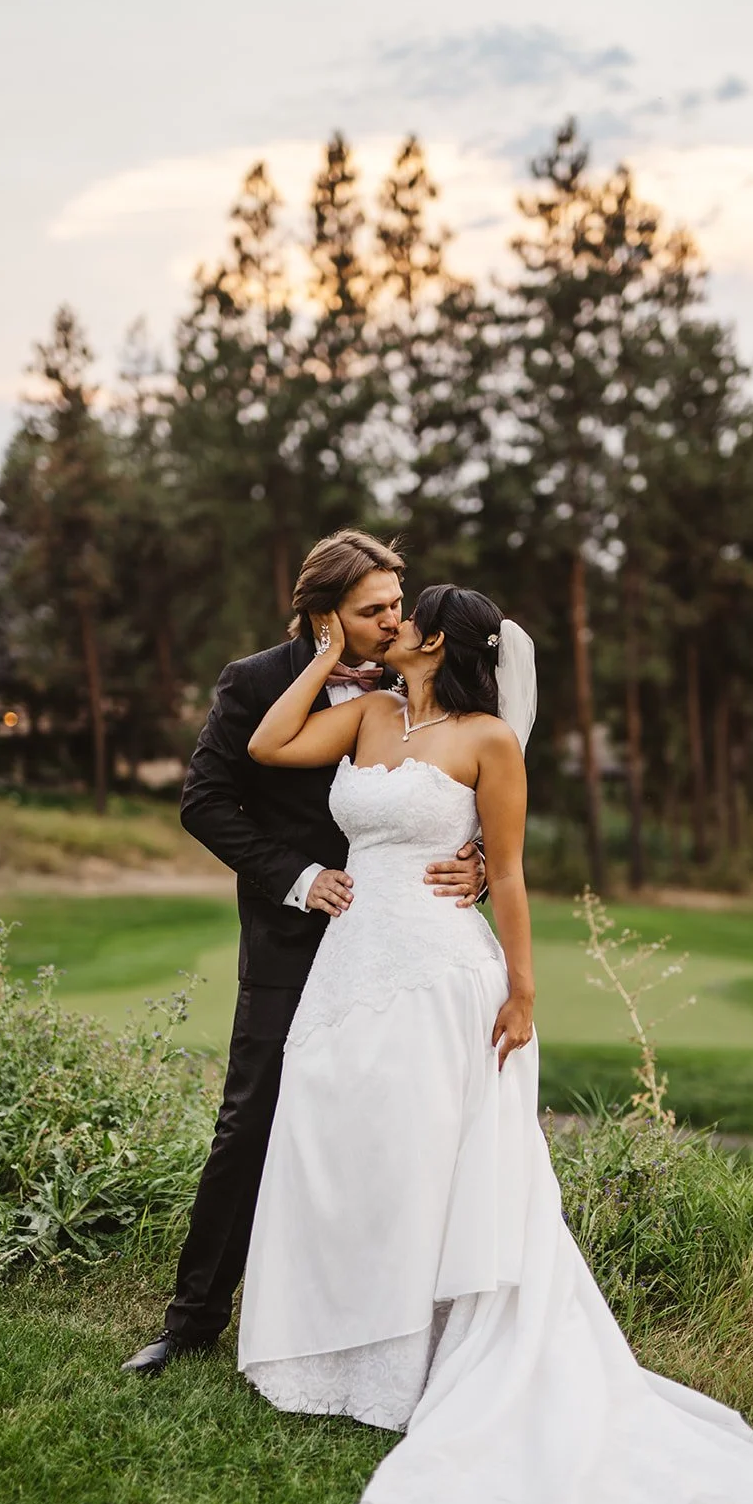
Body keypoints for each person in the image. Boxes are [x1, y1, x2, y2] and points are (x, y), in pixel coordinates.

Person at [235, 583, 753, 1504]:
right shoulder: (366, 712)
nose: (386, 627)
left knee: (425, 1162)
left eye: (401, 617)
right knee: (340, 1153)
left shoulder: (488, 741)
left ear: (432, 637)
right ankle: (334, 1359)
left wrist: (522, 993)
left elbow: (506, 872)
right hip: (351, 967)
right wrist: (319, 654)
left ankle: (416, 1370)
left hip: (440, 975)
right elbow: (267, 746)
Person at [121, 533, 484, 1376]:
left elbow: (480, 774)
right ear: (325, 615)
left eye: (398, 602)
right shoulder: (253, 682)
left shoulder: (420, 672)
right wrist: (300, 876)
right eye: (375, 609)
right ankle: (192, 1321)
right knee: (251, 1120)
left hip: (403, 944)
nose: (397, 618)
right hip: (294, 934)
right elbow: (205, 801)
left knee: (394, 1130)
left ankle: (370, 1327)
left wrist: (473, 860)